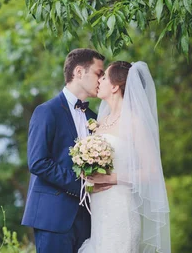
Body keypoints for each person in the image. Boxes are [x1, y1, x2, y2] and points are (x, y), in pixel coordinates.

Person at [79, 61, 171, 253]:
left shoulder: (135, 122)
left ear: (114, 86)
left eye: (103, 77)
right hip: (99, 212)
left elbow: (152, 172)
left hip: (121, 209)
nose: (99, 80)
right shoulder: (100, 121)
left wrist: (110, 178)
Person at [22, 48, 106, 252]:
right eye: (98, 73)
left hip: (89, 220)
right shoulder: (46, 111)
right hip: (53, 217)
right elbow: (38, 162)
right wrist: (82, 186)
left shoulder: (95, 118)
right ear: (79, 72)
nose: (102, 79)